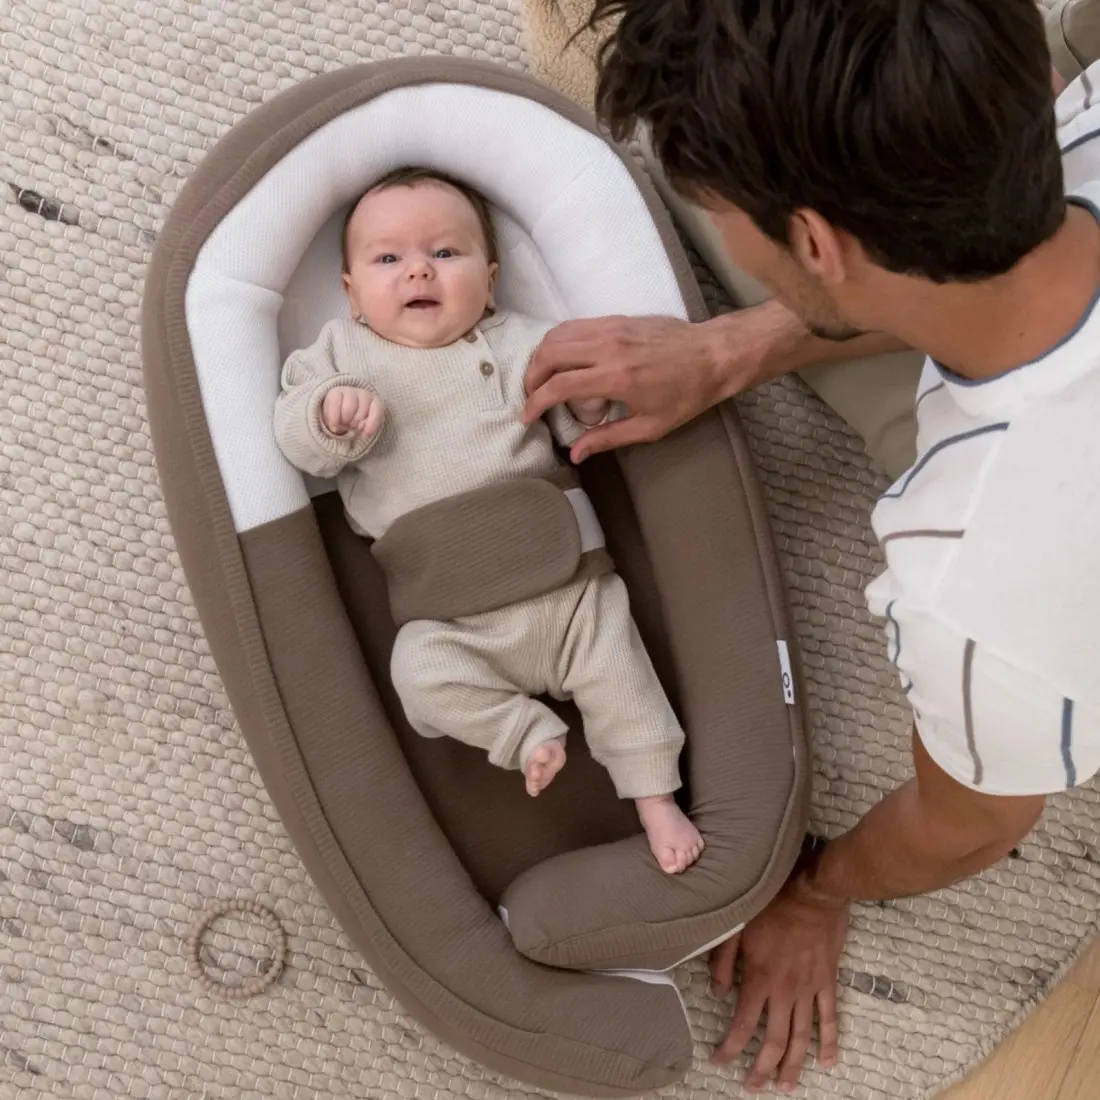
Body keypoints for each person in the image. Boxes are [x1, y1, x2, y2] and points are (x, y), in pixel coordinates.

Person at [523, 0, 1100, 1091]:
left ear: (817, 243)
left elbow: (970, 825)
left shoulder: (974, 584)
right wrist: (728, 351)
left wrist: (817, 886)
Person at [272, 167, 704, 874]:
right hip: (452, 620)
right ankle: (521, 730)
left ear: (491, 280)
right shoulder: (339, 357)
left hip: (566, 594)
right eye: (388, 258)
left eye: (445, 252)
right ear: (351, 294)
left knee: (622, 675)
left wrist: (589, 404)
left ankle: (657, 798)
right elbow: (295, 438)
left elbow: (579, 424)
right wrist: (328, 415)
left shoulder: (520, 343)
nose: (418, 270)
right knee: (417, 674)